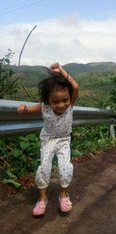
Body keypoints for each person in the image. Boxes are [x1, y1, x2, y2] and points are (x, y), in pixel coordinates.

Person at [17, 63, 79, 216]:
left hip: (64, 140)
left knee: (66, 168)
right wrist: (23, 108)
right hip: (48, 140)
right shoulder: (44, 107)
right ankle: (42, 199)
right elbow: (27, 111)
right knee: (44, 167)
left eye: (65, 100)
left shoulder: (70, 105)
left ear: (70, 98)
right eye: (56, 102)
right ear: (48, 101)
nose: (61, 105)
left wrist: (61, 71)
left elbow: (75, 86)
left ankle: (63, 195)